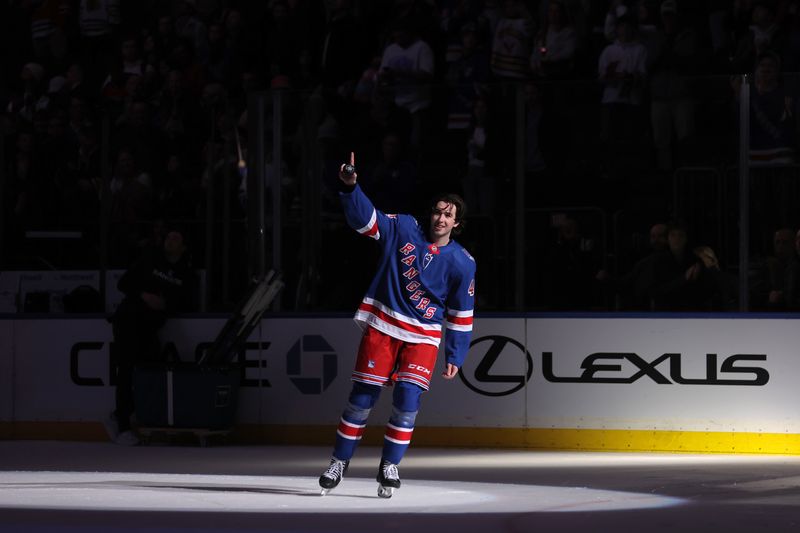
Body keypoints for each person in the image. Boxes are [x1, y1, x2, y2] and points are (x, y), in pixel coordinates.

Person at [319, 152, 476, 498]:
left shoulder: (463, 263)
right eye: (437, 211)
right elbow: (367, 220)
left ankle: (389, 465)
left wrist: (456, 352)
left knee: (407, 400)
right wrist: (351, 187)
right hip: (384, 325)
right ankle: (338, 461)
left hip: (424, 335)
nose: (440, 218)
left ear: (456, 224)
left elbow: (462, 312)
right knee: (362, 398)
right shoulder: (404, 227)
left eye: (448, 215)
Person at [104, 227, 197, 445]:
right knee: (126, 369)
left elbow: (185, 301)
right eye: (168, 237)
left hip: (150, 327)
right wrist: (143, 295)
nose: (170, 240)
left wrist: (165, 304)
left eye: (176, 237)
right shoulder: (150, 260)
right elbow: (124, 283)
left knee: (153, 369)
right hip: (129, 320)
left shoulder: (185, 273)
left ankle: (144, 416)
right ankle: (122, 422)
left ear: (183, 247)